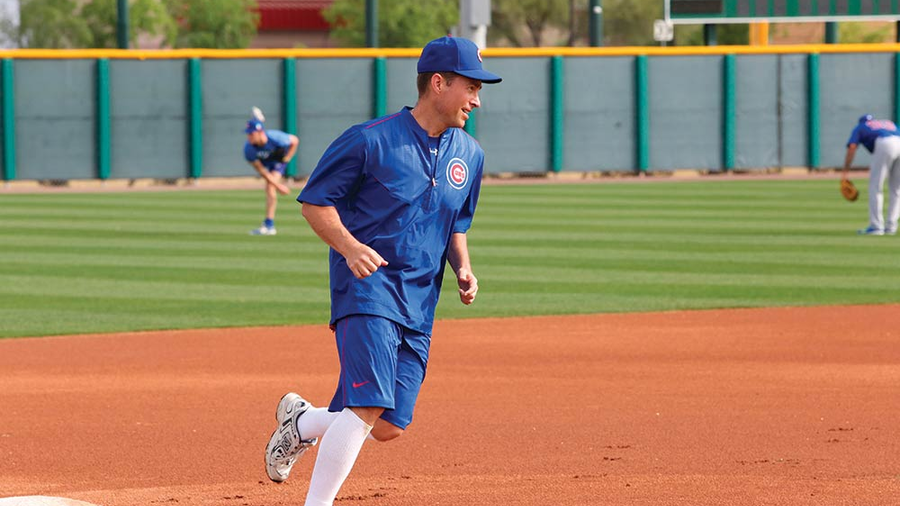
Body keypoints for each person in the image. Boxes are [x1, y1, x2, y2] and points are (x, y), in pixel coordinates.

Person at [263, 36, 501, 506]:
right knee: (367, 404)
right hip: (367, 290)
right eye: (471, 87)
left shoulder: (470, 155)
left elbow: (455, 222)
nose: (477, 99)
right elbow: (314, 202)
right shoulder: (370, 139)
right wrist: (350, 248)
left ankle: (302, 423)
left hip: (419, 301)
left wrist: (463, 268)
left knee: (388, 425)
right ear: (439, 83)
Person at [842, 114, 900, 236]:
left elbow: (852, 147)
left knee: (875, 187)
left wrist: (845, 171)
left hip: (884, 144)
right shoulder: (888, 124)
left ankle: (876, 226)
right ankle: (891, 226)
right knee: (896, 189)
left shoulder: (861, 127)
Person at [244, 112, 299, 235]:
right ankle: (269, 225)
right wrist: (279, 186)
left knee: (269, 187)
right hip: (266, 165)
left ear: (260, 132)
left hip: (277, 163)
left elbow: (294, 141)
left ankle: (269, 225)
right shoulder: (249, 149)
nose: (249, 137)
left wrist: (288, 157)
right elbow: (262, 171)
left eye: (251, 134)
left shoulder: (276, 138)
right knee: (271, 185)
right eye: (248, 134)